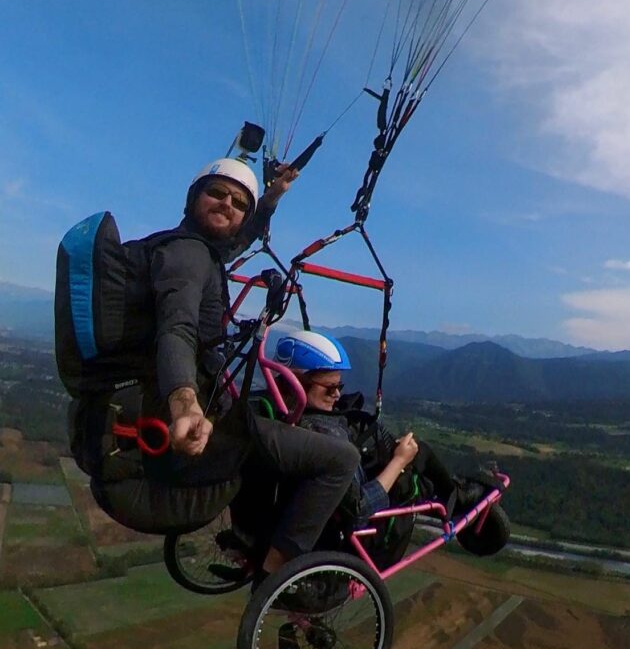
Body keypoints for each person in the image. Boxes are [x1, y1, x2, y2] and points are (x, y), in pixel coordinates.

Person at [68, 158, 360, 580]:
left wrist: (272, 196)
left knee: (265, 424)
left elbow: (238, 239)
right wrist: (185, 402)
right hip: (175, 432)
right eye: (217, 193)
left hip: (147, 423)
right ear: (193, 199)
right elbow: (177, 328)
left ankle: (249, 533)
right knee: (341, 459)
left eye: (238, 202)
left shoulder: (192, 248)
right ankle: (276, 573)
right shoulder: (187, 257)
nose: (227, 205)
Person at [271, 330, 493, 567]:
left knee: (407, 458)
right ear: (296, 383)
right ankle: (456, 500)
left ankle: (448, 495)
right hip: (351, 536)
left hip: (298, 517)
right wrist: (399, 461)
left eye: (339, 386)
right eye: (329, 388)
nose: (337, 394)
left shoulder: (272, 417)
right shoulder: (325, 440)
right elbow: (358, 509)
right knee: (420, 454)